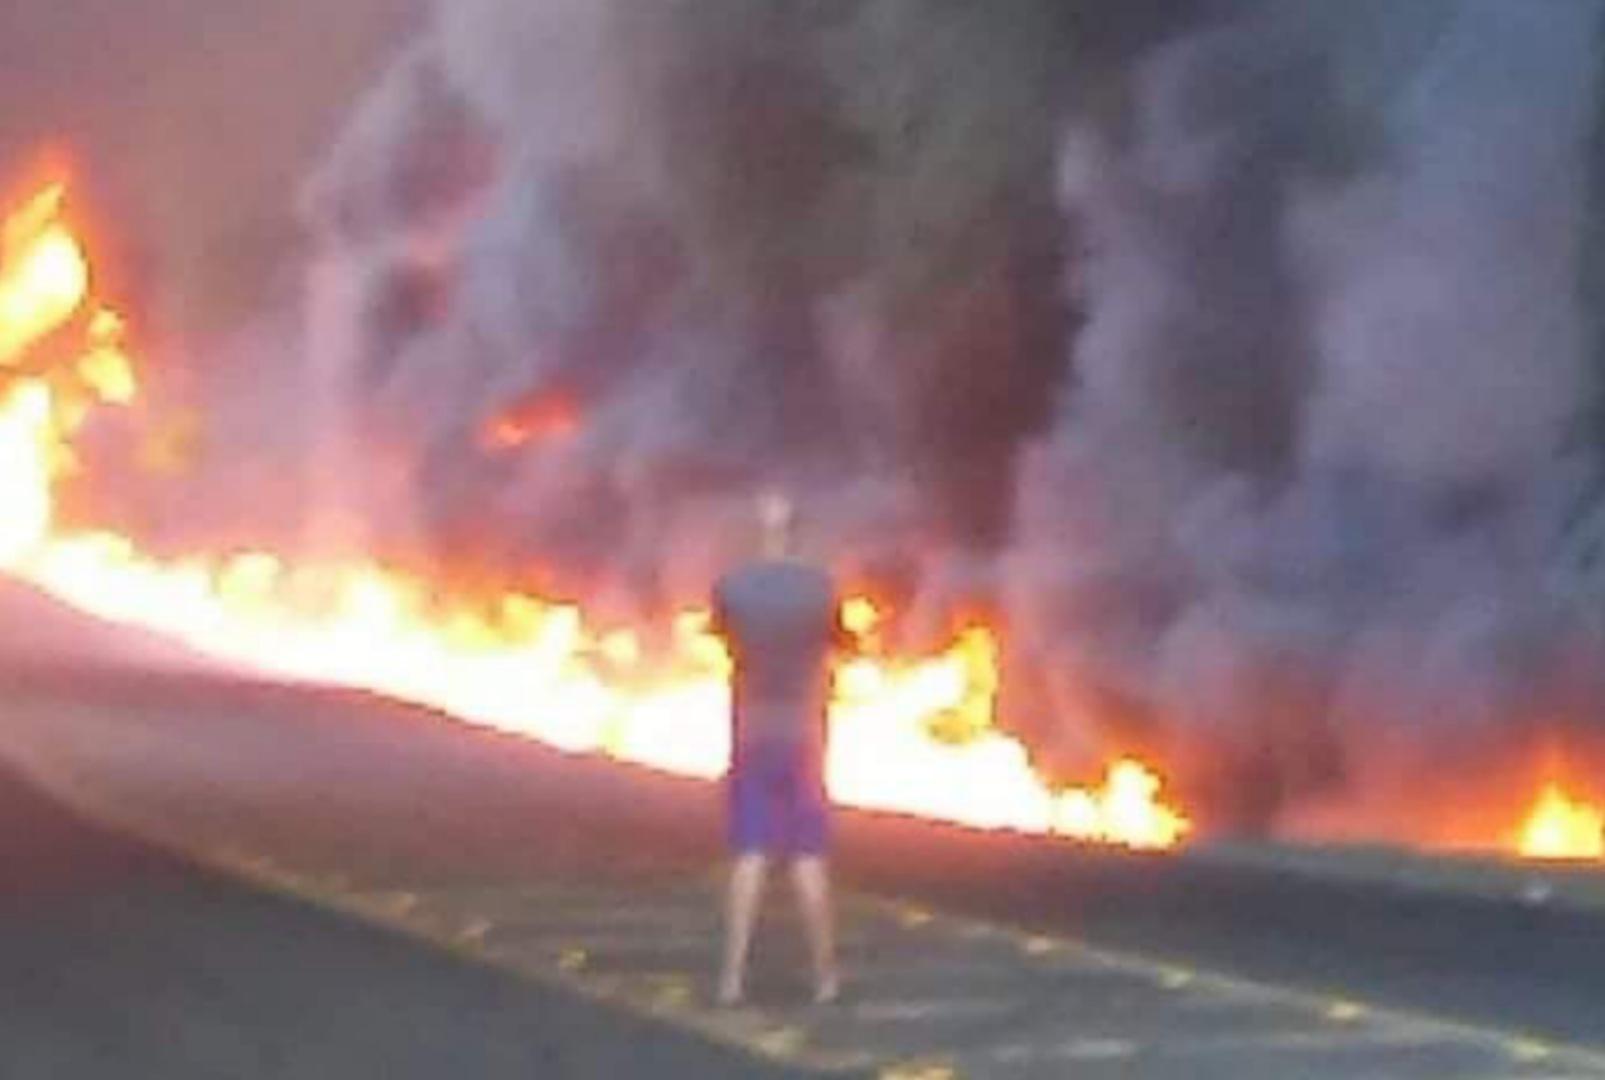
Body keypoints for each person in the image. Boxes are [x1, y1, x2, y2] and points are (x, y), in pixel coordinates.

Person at [711, 491, 845, 1006]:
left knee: (749, 855)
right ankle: (826, 980)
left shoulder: (735, 587)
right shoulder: (821, 589)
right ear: (798, 531)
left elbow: (723, 638)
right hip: (805, 737)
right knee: (810, 859)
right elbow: (841, 644)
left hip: (752, 734)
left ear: (761, 530)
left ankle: (731, 980)